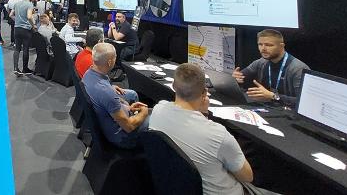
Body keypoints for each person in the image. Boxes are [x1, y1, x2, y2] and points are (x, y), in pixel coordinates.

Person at [150, 63, 279, 195]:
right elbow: (247, 177)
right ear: (205, 92)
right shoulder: (218, 134)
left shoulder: (158, 110)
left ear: (173, 86)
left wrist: (203, 114)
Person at [82, 42, 148, 149]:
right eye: (115, 57)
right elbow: (129, 126)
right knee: (153, 120)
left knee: (132, 95)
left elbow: (108, 99)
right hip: (121, 138)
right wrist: (144, 113)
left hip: (108, 120)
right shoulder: (106, 92)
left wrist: (127, 108)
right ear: (109, 62)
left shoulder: (88, 74)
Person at [232, 29, 309, 106]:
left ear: (281, 46)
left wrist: (273, 96)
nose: (263, 49)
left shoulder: (298, 68)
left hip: (287, 111)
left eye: (269, 45)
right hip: (267, 107)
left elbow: (305, 102)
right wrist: (236, 79)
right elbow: (241, 78)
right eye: (260, 44)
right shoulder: (261, 62)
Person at [9, 0, 36, 75]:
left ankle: (16, 68)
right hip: (26, 29)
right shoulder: (29, 4)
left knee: (17, 48)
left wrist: (17, 20)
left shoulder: (17, 4)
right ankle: (25, 69)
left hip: (17, 28)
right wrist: (33, 25)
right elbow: (29, 16)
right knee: (25, 48)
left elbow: (10, 15)